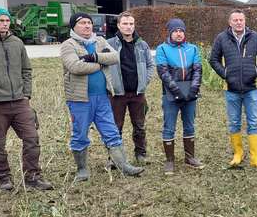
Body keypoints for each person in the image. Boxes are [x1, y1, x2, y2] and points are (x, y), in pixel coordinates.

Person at [0, 8, 53, 191]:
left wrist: (26, 94)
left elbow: (26, 70)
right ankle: (4, 179)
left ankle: (32, 178)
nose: (4, 23)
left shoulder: (17, 43)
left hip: (19, 102)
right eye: (0, 20)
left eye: (7, 20)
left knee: (32, 139)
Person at [60, 12, 144, 181]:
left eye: (89, 23)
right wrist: (100, 65)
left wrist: (94, 57)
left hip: (102, 97)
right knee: (80, 134)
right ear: (74, 26)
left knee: (111, 132)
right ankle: (82, 170)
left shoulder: (99, 41)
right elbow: (75, 67)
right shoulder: (68, 45)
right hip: (80, 99)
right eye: (82, 23)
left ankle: (124, 165)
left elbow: (115, 57)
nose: (87, 26)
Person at [209, 9, 257, 168]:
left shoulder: (254, 37)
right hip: (231, 89)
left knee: (254, 122)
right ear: (230, 22)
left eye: (241, 20)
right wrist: (225, 73)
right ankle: (238, 153)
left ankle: (255, 157)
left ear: (245, 21)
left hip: (252, 88)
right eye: (235, 20)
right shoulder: (222, 38)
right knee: (234, 122)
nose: (238, 22)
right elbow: (213, 59)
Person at [106, 11, 155, 166]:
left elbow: (150, 65)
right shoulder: (109, 44)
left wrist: (144, 82)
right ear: (119, 25)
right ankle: (114, 158)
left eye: (131, 24)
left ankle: (140, 154)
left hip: (137, 94)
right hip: (117, 94)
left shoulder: (142, 44)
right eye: (125, 24)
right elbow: (103, 66)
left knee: (139, 126)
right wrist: (110, 84)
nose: (128, 27)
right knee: (115, 127)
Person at [155, 18, 204, 174]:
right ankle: (170, 161)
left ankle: (190, 157)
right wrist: (176, 90)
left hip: (190, 94)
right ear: (170, 33)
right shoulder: (162, 49)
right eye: (175, 31)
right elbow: (163, 72)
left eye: (181, 31)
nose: (178, 34)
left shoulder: (193, 49)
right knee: (169, 126)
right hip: (171, 94)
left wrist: (194, 88)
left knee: (189, 125)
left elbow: (197, 69)